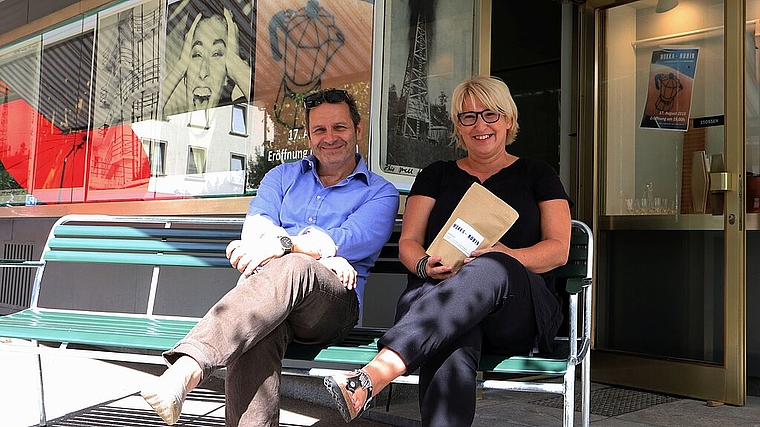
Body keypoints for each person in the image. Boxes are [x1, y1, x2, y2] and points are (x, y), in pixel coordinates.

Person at [141, 88, 399, 426]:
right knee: (258, 331)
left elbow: (351, 239)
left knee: (296, 265)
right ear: (309, 135)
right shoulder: (281, 177)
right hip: (270, 302)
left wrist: (290, 247)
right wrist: (315, 252)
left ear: (358, 130)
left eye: (340, 128)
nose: (330, 137)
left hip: (332, 308)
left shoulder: (380, 192)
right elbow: (255, 232)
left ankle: (188, 368)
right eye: (319, 130)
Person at [324, 76, 573, 426]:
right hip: (438, 297)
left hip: (514, 311)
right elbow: (409, 242)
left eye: (490, 114)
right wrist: (425, 266)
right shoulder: (436, 176)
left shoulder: (538, 174)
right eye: (467, 117)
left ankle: (376, 374)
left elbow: (559, 250)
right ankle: (365, 382)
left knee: (493, 267)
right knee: (454, 333)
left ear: (509, 120)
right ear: (457, 126)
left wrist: (505, 255)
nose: (480, 125)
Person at [164, 8, 252, 116]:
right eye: (197, 55)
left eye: (216, 54)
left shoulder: (239, 111)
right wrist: (180, 65)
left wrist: (236, 64)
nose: (203, 72)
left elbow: (271, 114)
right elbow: (141, 119)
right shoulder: (170, 126)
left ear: (227, 76)